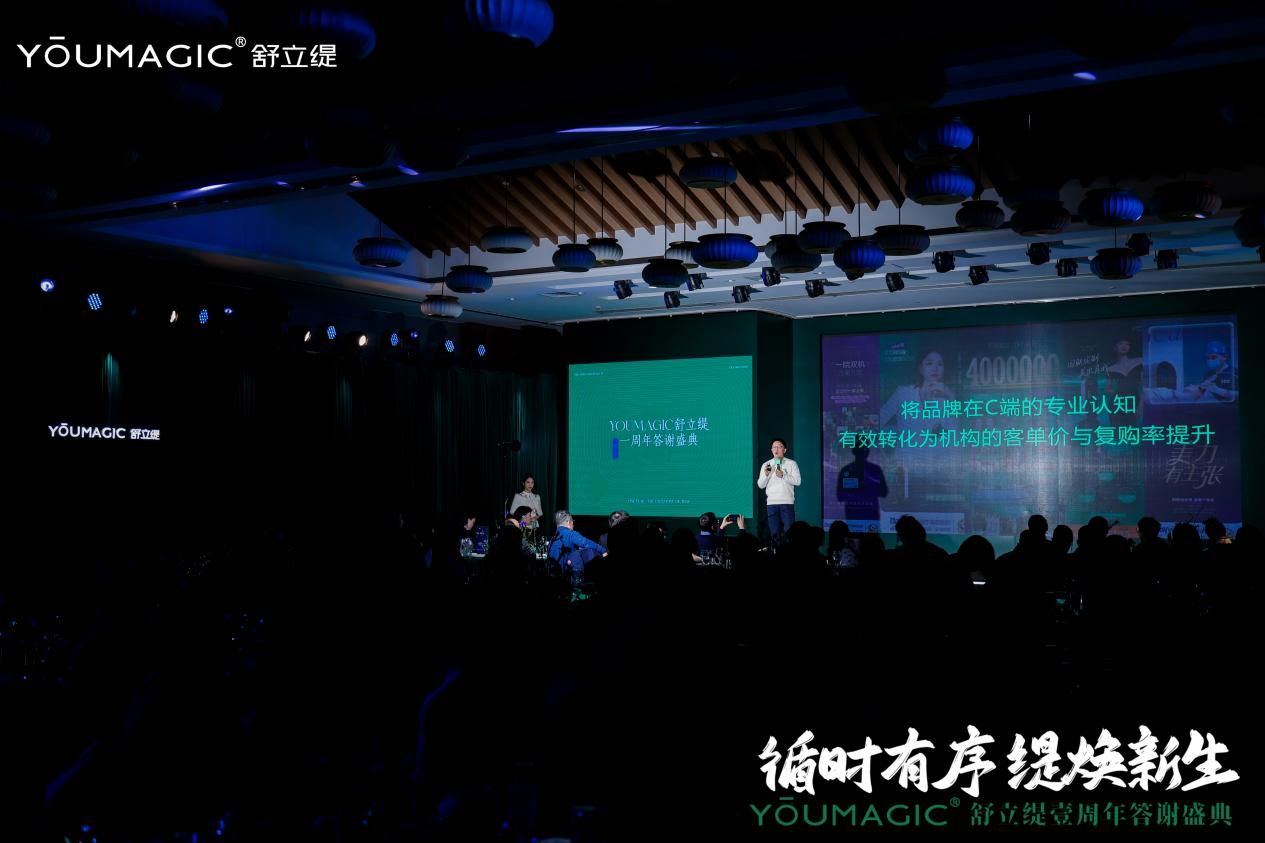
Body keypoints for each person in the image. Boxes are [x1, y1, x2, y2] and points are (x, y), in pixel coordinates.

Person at [757, 438, 801, 545]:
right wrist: (766, 475)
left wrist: (783, 475)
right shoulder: (767, 465)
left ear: (784, 450)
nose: (776, 449)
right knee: (774, 534)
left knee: (789, 533)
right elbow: (761, 485)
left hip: (787, 502)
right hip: (771, 504)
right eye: (774, 447)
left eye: (779, 447)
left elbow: (798, 481)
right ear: (771, 450)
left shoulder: (791, 463)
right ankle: (776, 552)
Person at [548, 510, 608, 578]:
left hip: (553, 574)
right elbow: (586, 543)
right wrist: (602, 550)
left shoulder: (553, 538)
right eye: (573, 521)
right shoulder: (571, 534)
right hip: (566, 575)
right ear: (568, 522)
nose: (573, 524)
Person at [836, 446, 889, 523]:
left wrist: (869, 485)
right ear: (854, 451)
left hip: (870, 517)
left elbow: (884, 492)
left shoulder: (875, 469)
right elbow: (840, 496)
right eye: (860, 450)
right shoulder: (846, 470)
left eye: (864, 450)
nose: (862, 452)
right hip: (855, 516)